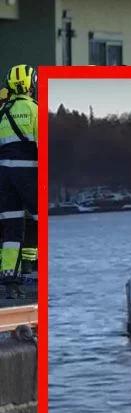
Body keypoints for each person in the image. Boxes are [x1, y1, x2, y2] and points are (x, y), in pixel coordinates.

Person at [0, 65, 38, 286]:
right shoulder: (35, 110)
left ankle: (8, 274)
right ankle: (38, 269)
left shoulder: (3, 113)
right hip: (28, 172)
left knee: (11, 223)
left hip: (4, 175)